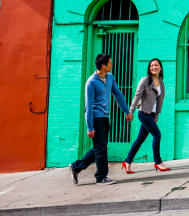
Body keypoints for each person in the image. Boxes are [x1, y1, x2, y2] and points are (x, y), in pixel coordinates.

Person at [69, 53, 132, 186]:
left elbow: (118, 94)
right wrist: (90, 126)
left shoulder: (109, 77)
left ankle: (76, 167)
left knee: (100, 147)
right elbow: (88, 106)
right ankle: (101, 177)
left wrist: (127, 111)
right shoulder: (91, 82)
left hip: (105, 117)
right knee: (101, 148)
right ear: (103, 66)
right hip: (96, 118)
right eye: (110, 63)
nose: (112, 65)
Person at [121, 58, 170, 173]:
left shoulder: (161, 83)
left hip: (152, 115)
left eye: (156, 65)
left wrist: (156, 117)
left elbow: (160, 102)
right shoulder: (145, 80)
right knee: (157, 134)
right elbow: (137, 96)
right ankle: (158, 162)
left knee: (139, 139)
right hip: (143, 113)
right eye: (151, 66)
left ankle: (127, 161)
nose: (154, 67)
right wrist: (130, 111)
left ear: (160, 68)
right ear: (149, 68)